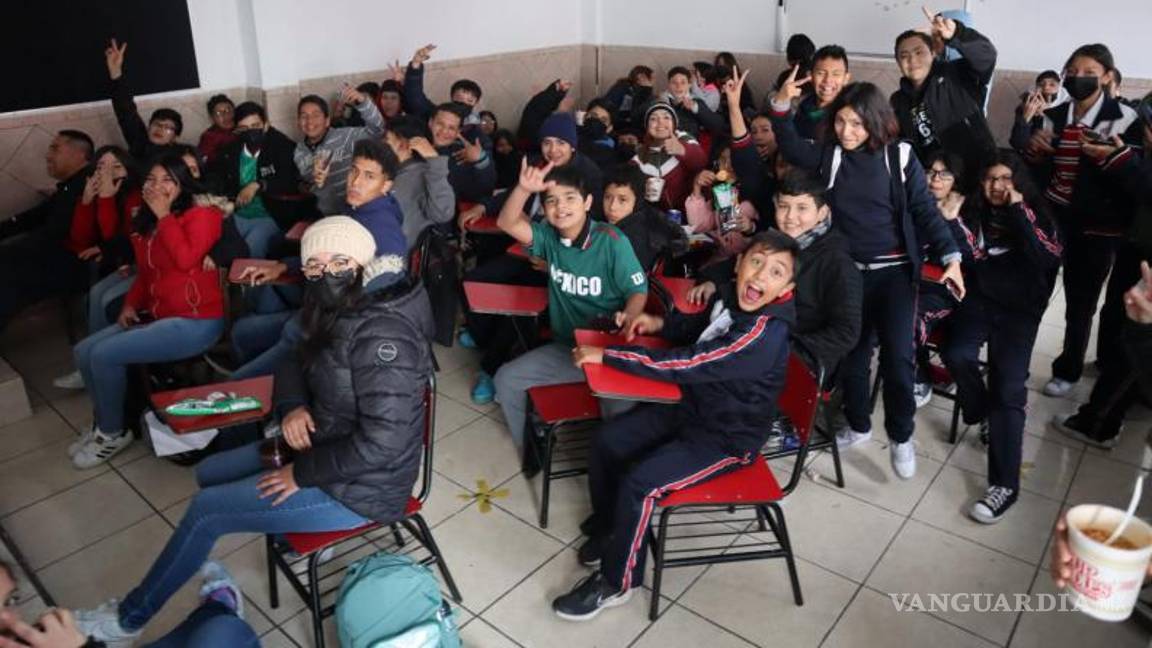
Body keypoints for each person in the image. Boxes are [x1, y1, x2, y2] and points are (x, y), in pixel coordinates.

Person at [73, 217, 435, 645]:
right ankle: (286, 535)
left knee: (207, 510)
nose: (326, 272)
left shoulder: (383, 334)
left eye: (340, 261)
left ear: (364, 263)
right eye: (315, 265)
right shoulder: (330, 305)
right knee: (207, 473)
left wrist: (298, 476)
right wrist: (293, 405)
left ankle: (127, 619)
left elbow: (384, 444)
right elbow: (290, 360)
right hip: (320, 445)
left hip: (360, 489)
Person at [552, 230, 798, 621]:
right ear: (738, 263)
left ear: (786, 288)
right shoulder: (729, 298)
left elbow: (691, 363)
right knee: (608, 441)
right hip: (693, 411)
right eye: (756, 261)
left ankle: (619, 582)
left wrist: (610, 355)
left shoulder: (764, 333)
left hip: (727, 439)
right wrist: (657, 324)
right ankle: (611, 528)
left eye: (776, 271)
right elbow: (693, 331)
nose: (760, 276)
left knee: (640, 484)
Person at [771, 81, 964, 480]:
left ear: (875, 122)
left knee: (898, 355)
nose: (847, 131)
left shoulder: (900, 156)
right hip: (850, 272)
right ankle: (858, 425)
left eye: (856, 124)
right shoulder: (832, 157)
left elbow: (926, 211)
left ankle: (901, 435)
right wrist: (780, 106)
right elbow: (791, 148)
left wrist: (952, 256)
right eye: (840, 121)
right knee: (854, 355)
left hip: (894, 274)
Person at [68, 154, 225, 469]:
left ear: (184, 184)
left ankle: (113, 432)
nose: (158, 186)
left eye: (168, 179)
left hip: (195, 321)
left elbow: (184, 259)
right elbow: (146, 273)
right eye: (151, 180)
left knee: (104, 354)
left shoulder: (204, 215)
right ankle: (104, 422)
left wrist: (164, 215)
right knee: (85, 350)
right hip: (158, 315)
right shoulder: (146, 221)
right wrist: (130, 304)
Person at [1010, 43, 1143, 399]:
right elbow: (1036, 169)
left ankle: (1067, 369)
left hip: (1097, 228)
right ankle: (1015, 363)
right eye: (1072, 71)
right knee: (1034, 291)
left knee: (1080, 303)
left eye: (1089, 73)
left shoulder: (1125, 119)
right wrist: (1037, 152)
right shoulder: (1055, 115)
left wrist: (1106, 157)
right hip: (1055, 216)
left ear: (1108, 77)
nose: (1078, 78)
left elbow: (1133, 179)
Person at [492, 161, 648, 452]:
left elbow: (637, 290)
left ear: (588, 202)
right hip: (568, 348)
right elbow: (507, 223)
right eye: (551, 201)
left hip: (608, 350)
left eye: (569, 198)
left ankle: (613, 465)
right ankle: (532, 450)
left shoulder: (613, 241)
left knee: (618, 416)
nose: (560, 207)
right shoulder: (548, 237)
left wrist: (630, 314)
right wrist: (524, 189)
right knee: (507, 379)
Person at [940, 152, 1062, 523]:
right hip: (981, 299)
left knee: (1009, 388)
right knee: (955, 352)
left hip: (1020, 311)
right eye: (990, 178)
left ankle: (1004, 485)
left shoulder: (1037, 213)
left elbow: (1048, 256)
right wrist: (950, 221)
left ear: (1018, 181)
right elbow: (973, 256)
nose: (997, 186)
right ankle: (982, 412)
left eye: (1005, 178)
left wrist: (1019, 211)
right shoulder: (974, 211)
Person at [229, 139, 408, 379]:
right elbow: (328, 256)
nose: (355, 182)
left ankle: (264, 393)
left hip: (327, 327)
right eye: (353, 171)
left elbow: (391, 275)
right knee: (241, 331)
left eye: (368, 176)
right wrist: (284, 266)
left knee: (237, 381)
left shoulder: (381, 227)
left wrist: (322, 316)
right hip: (312, 309)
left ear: (386, 185)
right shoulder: (358, 208)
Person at [1051, 113, 1152, 448]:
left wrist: (1121, 161)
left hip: (1145, 257)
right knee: (1114, 318)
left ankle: (1099, 422)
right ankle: (1126, 385)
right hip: (1135, 244)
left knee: (1134, 334)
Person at [50, 147, 143, 390]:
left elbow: (115, 238)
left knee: (106, 297)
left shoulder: (135, 195)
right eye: (102, 166)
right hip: (120, 262)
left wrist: (105, 200)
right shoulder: (99, 192)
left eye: (116, 167)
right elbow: (80, 240)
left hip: (136, 262)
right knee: (97, 293)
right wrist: (86, 202)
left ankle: (98, 359)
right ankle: (89, 361)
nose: (108, 173)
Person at [0, 130, 93, 331]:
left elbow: (57, 233)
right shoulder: (70, 185)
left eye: (55, 148)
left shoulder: (87, 186)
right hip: (53, 255)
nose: (48, 155)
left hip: (78, 263)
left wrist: (12, 251)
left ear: (79, 154)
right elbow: (35, 217)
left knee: (9, 277)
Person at [889, 9, 998, 178]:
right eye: (904, 56)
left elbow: (987, 56)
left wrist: (957, 33)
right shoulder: (898, 101)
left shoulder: (957, 74)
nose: (912, 60)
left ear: (933, 53)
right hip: (933, 183)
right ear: (898, 63)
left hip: (975, 174)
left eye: (919, 52)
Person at [205, 101, 300, 258]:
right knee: (213, 243)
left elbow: (290, 180)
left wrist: (258, 185)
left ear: (266, 125)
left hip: (271, 216)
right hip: (237, 214)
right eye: (244, 129)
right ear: (237, 130)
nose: (251, 132)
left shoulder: (281, 146)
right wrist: (218, 198)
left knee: (251, 249)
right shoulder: (231, 151)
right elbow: (216, 176)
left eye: (256, 126)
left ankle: (261, 283)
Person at [912, 150, 969, 407]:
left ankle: (919, 375)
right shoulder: (912, 202)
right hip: (909, 282)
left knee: (910, 320)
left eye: (944, 174)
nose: (935, 179)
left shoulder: (965, 207)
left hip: (941, 290)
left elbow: (973, 256)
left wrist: (952, 221)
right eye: (930, 172)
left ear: (955, 179)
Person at [294, 87, 385, 215]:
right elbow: (309, 180)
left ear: (327, 121)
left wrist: (363, 102)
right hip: (327, 214)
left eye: (316, 115)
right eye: (304, 116)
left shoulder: (346, 136)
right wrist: (314, 176)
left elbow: (378, 130)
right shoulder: (299, 152)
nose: (309, 121)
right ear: (298, 122)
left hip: (357, 209)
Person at [103, 39, 182, 162]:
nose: (160, 129)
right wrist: (115, 72)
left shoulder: (179, 158)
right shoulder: (139, 142)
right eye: (157, 124)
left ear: (174, 137)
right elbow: (126, 110)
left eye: (168, 128)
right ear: (149, 126)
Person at [685, 140, 760, 268]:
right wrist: (696, 188)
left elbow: (762, 230)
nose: (727, 166)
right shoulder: (722, 190)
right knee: (679, 246)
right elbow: (701, 227)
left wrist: (750, 228)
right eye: (723, 160)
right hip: (718, 254)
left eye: (733, 160)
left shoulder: (757, 191)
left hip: (744, 261)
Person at [384, 115, 456, 249]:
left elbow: (443, 213)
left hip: (393, 255)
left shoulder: (423, 175)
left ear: (404, 144)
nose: (382, 144)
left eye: (387, 140)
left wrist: (434, 161)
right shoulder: (390, 170)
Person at [602, 166, 687, 272]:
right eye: (607, 197)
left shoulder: (633, 237)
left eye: (622, 200)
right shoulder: (648, 216)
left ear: (637, 201)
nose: (612, 207)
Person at [631, 100, 707, 211]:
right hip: (656, 218)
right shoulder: (638, 158)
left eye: (666, 117)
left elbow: (701, 163)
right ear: (647, 127)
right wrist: (642, 189)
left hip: (691, 214)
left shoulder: (685, 139)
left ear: (674, 124)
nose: (660, 122)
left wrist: (682, 150)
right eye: (653, 119)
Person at [427, 102, 496, 203]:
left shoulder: (460, 156)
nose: (444, 131)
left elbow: (483, 193)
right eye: (440, 124)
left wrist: (481, 161)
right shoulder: (413, 146)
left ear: (458, 132)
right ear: (430, 122)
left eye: (451, 128)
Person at [402, 43, 484, 129]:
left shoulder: (478, 130)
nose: (463, 103)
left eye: (470, 100)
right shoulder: (436, 114)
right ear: (452, 98)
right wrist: (416, 64)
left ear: (476, 103)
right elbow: (416, 98)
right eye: (459, 98)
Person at [629, 67, 725, 140]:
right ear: (668, 85)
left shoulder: (696, 103)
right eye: (674, 82)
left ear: (689, 85)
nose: (679, 86)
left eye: (683, 83)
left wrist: (695, 108)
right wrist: (646, 89)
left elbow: (717, 126)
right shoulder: (659, 101)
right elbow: (636, 119)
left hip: (687, 151)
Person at [786, 45, 853, 141]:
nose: (828, 80)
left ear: (846, 78)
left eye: (836, 74)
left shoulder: (850, 112)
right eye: (821, 73)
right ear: (810, 76)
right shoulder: (805, 105)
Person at [603, 65, 655, 133]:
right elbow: (635, 114)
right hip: (619, 128)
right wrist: (647, 89)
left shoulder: (635, 90)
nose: (653, 81)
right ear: (641, 77)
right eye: (652, 78)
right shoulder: (625, 90)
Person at [197, 94, 237, 165]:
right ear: (212, 118)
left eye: (228, 110)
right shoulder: (209, 137)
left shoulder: (242, 127)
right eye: (219, 113)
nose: (225, 116)